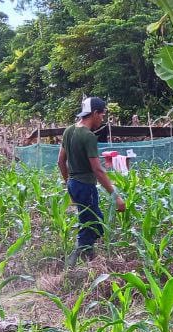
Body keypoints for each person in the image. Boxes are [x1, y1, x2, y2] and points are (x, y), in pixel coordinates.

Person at [57, 96, 125, 265]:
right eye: (102, 115)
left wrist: (68, 184)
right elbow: (97, 169)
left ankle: (90, 258)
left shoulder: (69, 131)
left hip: (73, 184)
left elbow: (60, 161)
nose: (102, 119)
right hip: (86, 185)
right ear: (94, 113)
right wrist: (116, 196)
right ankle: (73, 263)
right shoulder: (88, 136)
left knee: (89, 220)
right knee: (93, 224)